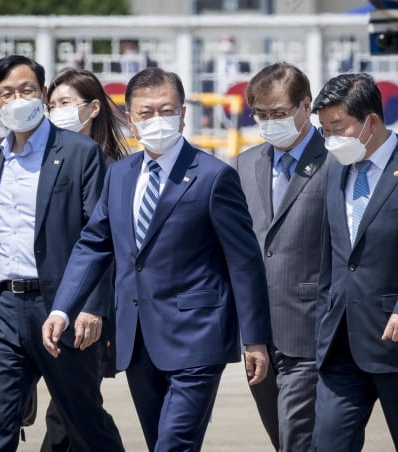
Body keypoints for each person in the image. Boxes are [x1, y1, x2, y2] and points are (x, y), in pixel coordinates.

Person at [42, 67, 273, 451]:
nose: (156, 120)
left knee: (174, 444)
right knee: (158, 442)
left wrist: (256, 339)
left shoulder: (213, 176)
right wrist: (62, 309)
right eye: (145, 113)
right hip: (137, 339)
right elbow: (94, 244)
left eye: (166, 111)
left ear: (182, 115)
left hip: (197, 337)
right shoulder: (119, 175)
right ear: (130, 119)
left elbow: (244, 262)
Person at [0, 55, 124, 452]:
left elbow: (100, 234)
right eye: (6, 93)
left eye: (26, 90)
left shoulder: (77, 152)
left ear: (41, 93)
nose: (18, 99)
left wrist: (92, 306)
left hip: (63, 307)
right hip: (4, 307)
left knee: (83, 418)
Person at [312, 73, 398, 452]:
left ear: (371, 121)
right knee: (327, 443)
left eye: (338, 127)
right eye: (324, 130)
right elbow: (334, 254)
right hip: (341, 342)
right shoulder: (335, 171)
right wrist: (324, 315)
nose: (330, 138)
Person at [235, 62, 330, 451]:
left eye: (279, 113)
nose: (269, 122)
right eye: (261, 114)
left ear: (305, 106)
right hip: (259, 335)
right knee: (281, 437)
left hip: (312, 327)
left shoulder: (334, 160)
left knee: (298, 439)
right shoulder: (245, 163)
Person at [36, 67, 130, 451]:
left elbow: (109, 246)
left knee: (72, 414)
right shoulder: (42, 162)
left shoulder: (111, 169)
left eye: (65, 103)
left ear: (92, 109)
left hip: (84, 312)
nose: (56, 111)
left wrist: (94, 307)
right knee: (67, 413)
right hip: (44, 305)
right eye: (51, 104)